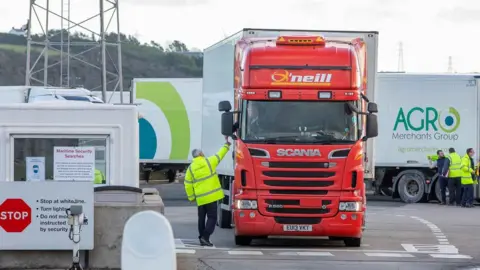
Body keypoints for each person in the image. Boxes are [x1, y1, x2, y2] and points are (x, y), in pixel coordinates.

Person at [184, 137, 231, 246]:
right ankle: (205, 237)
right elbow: (220, 155)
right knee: (212, 217)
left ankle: (201, 237)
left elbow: (187, 184)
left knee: (201, 218)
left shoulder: (191, 168)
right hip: (211, 197)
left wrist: (191, 197)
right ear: (200, 154)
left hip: (200, 198)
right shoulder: (209, 162)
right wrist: (227, 145)